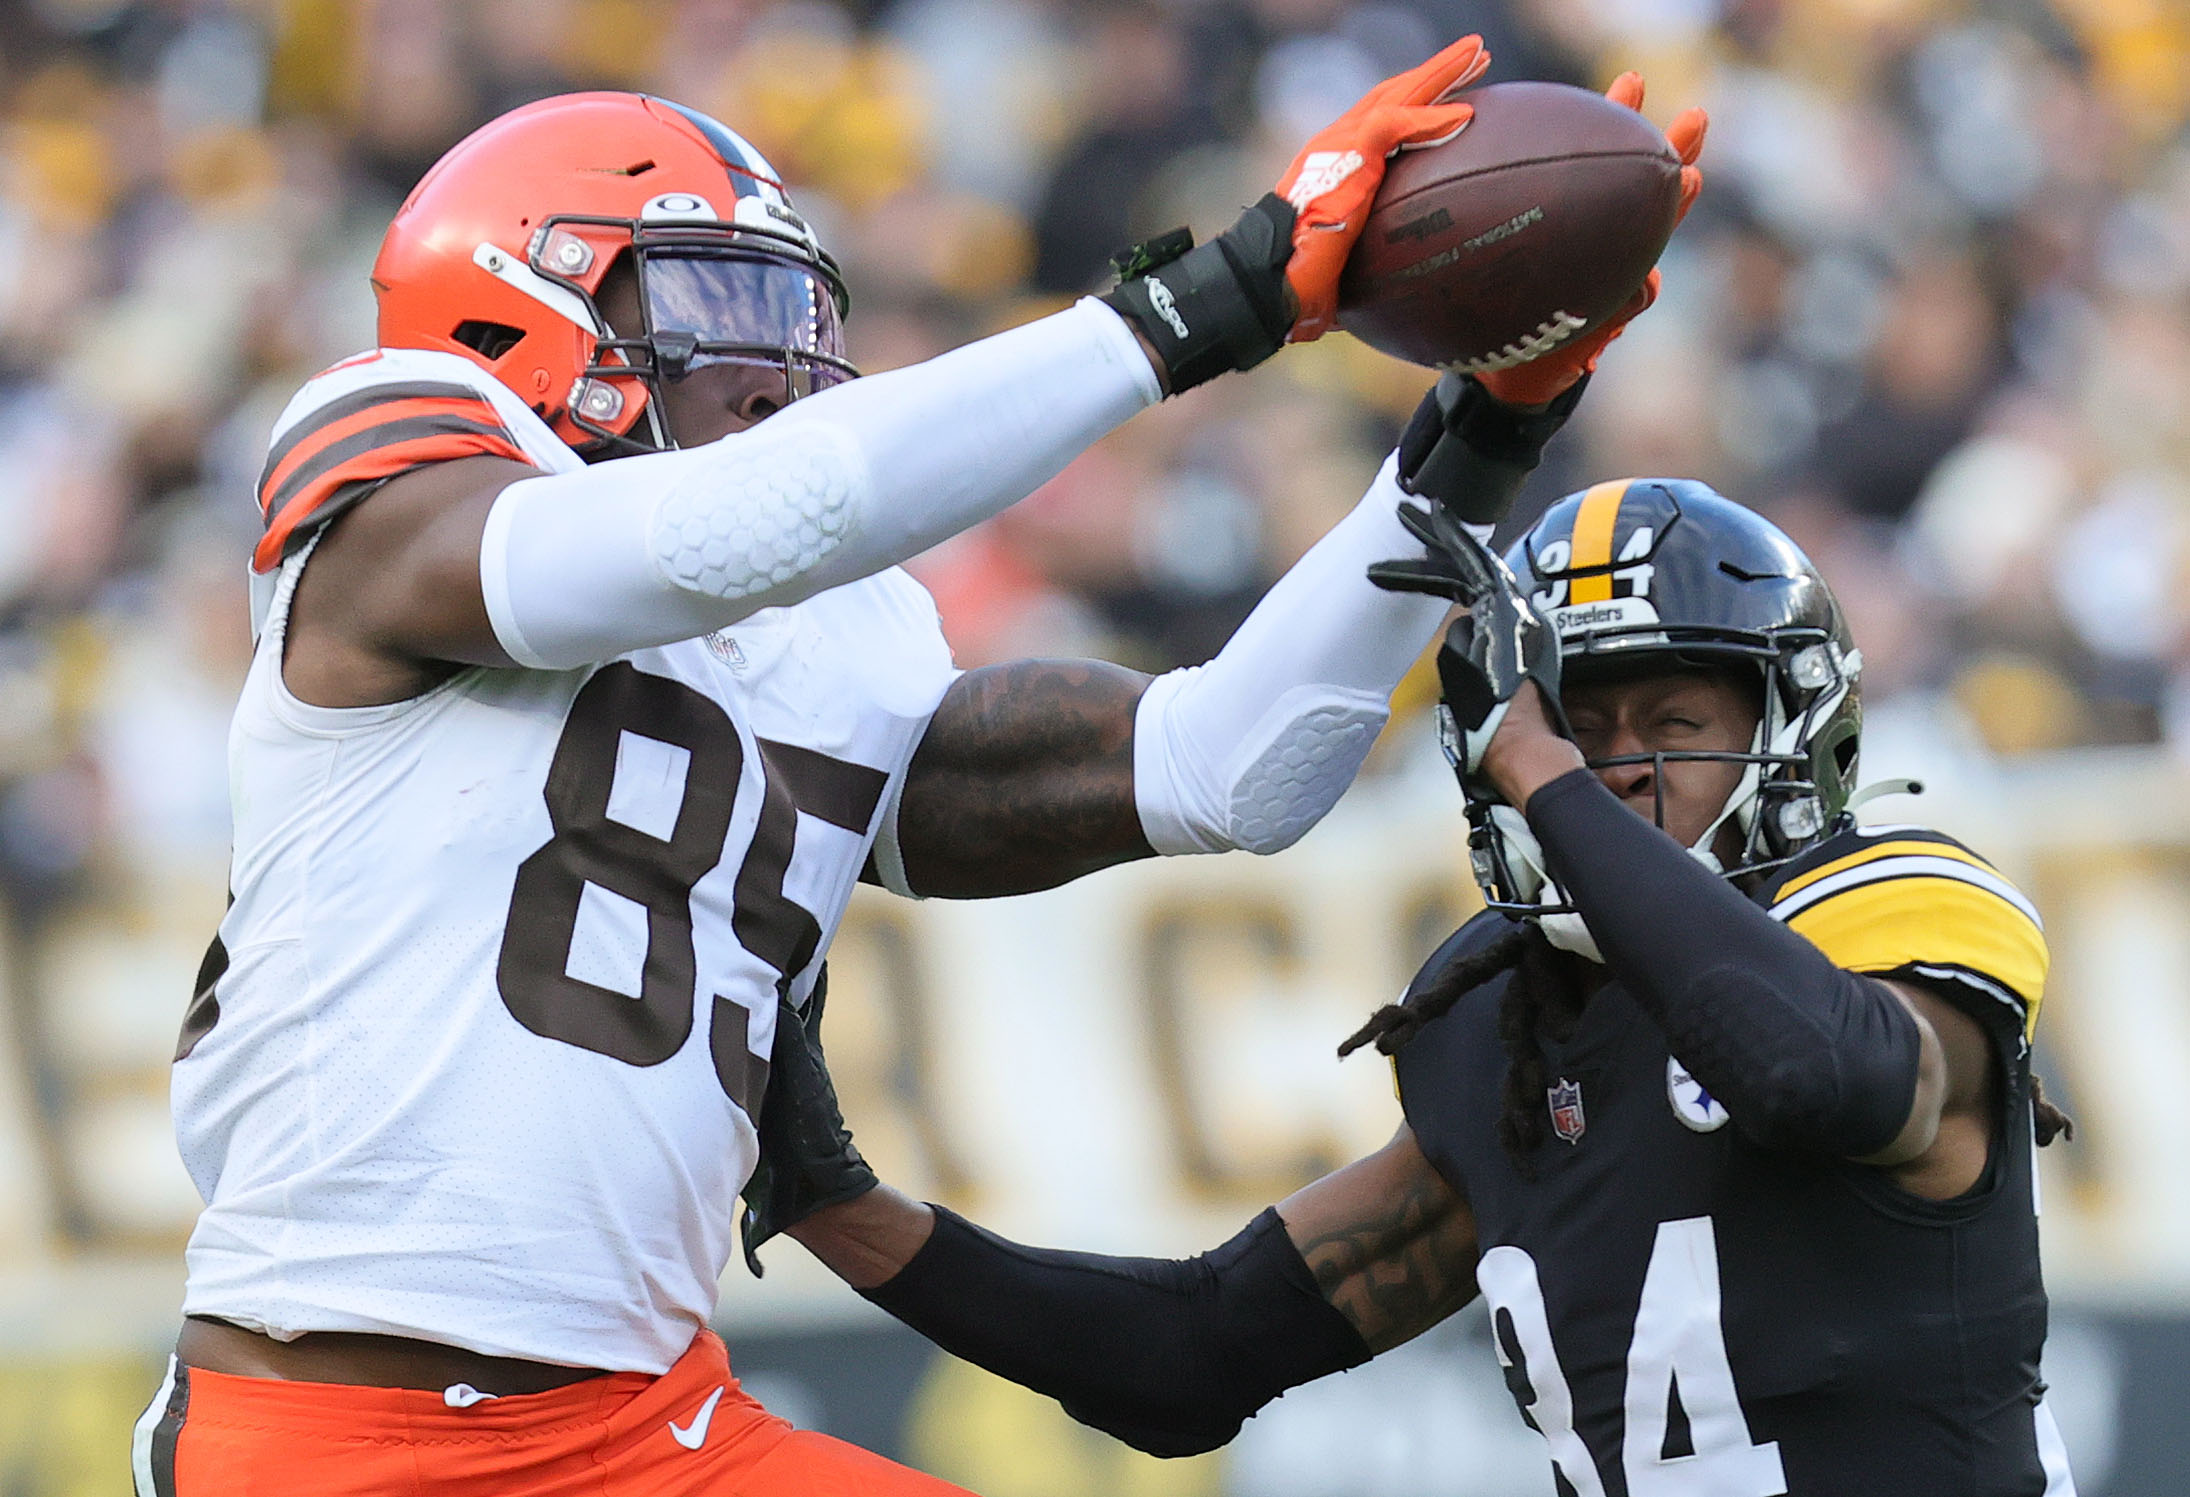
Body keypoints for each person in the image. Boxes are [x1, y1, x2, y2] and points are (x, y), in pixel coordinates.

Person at [133, 42, 1707, 1497]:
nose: (775, 363)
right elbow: (721, 530)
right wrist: (1208, 299)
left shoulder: (828, 643)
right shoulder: (391, 468)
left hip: (649, 1420)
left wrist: (1489, 422)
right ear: (518, 303)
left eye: (791, 314)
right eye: (709, 303)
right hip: (333, 1425)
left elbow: (1228, 766)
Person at [768, 480, 2079, 1496]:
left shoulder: (1887, 898)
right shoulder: (1505, 1031)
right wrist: (840, 1205)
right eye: (1581, 721)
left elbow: (1813, 1071)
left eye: (1671, 725)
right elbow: (1187, 1356)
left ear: (1791, 728)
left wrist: (1535, 752)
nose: (1616, 767)